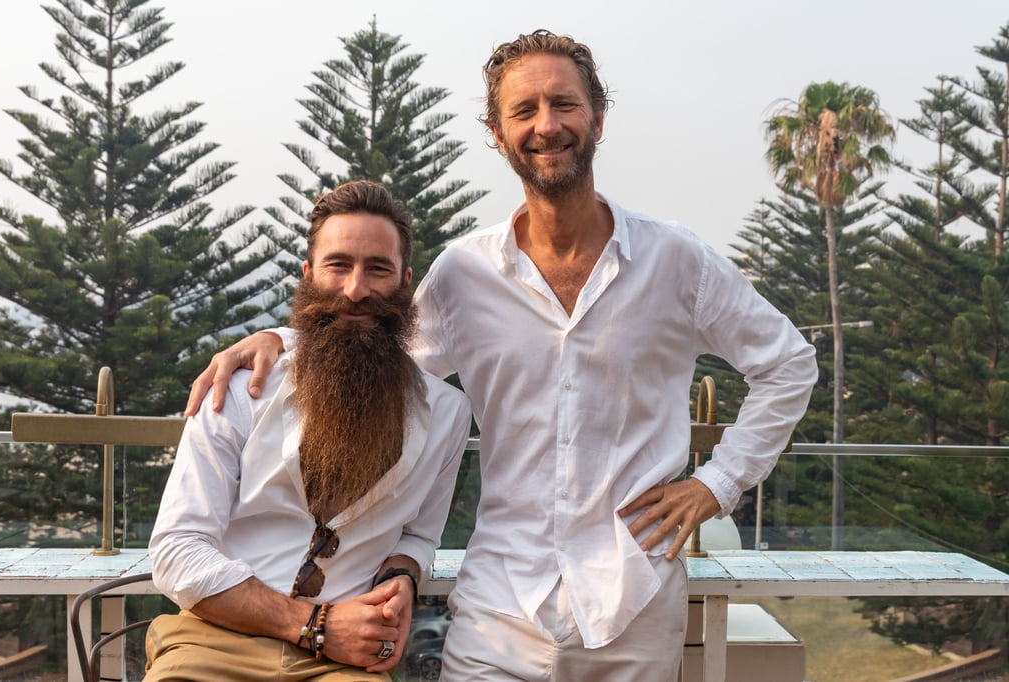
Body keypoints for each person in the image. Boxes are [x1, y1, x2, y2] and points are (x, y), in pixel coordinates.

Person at [186, 30, 817, 681]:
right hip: (499, 608)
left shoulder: (674, 260)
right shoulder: (464, 273)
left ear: (597, 116)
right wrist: (281, 343)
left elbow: (788, 365)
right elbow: (376, 354)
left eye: (563, 104)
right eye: (524, 110)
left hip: (635, 602)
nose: (547, 125)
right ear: (496, 131)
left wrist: (717, 484)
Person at [146, 180, 472, 681]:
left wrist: (405, 575)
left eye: (377, 270)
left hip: (341, 664)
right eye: (338, 265)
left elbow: (420, 536)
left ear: (404, 283)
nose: (355, 289)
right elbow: (175, 549)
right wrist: (314, 625)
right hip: (213, 641)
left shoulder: (448, 413)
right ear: (308, 276)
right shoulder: (239, 388)